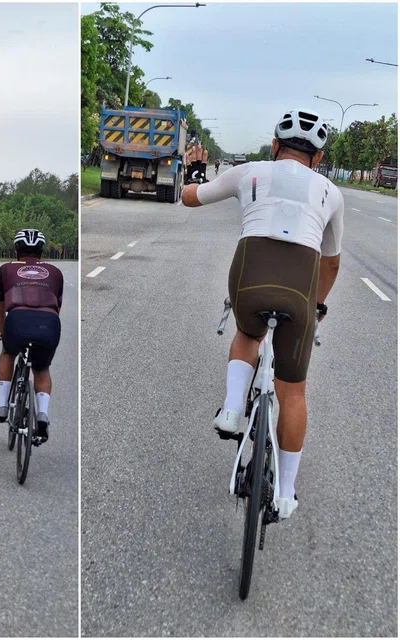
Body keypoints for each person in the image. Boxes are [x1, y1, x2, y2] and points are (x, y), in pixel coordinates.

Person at [181, 109, 343, 520]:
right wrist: (315, 305)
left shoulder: (249, 171)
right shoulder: (331, 193)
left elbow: (190, 198)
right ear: (319, 158)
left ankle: (233, 407)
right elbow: (331, 264)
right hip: (300, 288)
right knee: (292, 391)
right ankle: (287, 493)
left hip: (249, 277)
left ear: (274, 147)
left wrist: (196, 171)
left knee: (247, 334)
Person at [0, 229, 64, 444]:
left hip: (17, 320)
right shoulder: (56, 271)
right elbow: (56, 307)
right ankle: (42, 414)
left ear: (16, 250)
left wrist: (4, 332)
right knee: (41, 369)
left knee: (8, 352)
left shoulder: (6, 269)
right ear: (42, 251)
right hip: (49, 323)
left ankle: (3, 406)